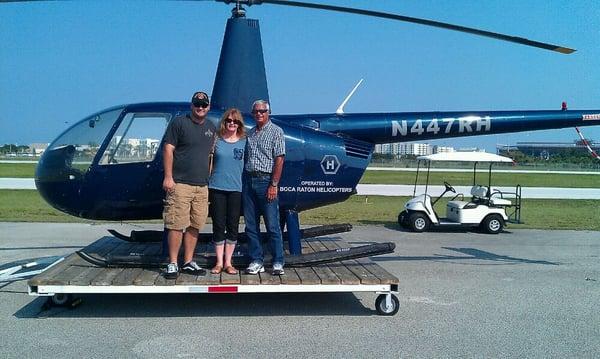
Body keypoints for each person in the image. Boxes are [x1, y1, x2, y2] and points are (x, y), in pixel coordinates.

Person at [162, 91, 216, 279]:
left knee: (195, 224)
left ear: (208, 107)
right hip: (180, 184)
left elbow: (210, 155)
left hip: (201, 186)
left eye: (203, 105)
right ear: (191, 105)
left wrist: (207, 177)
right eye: (197, 104)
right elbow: (168, 148)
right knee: (177, 223)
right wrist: (168, 177)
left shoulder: (211, 127)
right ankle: (172, 262)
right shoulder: (179, 123)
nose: (200, 108)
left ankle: (188, 261)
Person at [243, 99, 286, 275]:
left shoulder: (277, 132)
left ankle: (278, 261)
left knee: (272, 225)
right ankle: (256, 259)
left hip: (266, 180)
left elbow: (279, 159)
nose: (259, 114)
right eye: (256, 112)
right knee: (251, 225)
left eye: (262, 111)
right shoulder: (250, 133)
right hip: (249, 181)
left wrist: (273, 184)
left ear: (268, 112)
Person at [208, 108, 246, 275]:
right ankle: (218, 262)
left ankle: (228, 262)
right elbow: (208, 161)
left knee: (232, 226)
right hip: (216, 187)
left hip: (235, 189)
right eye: (229, 120)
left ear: (239, 124)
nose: (232, 123)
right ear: (225, 122)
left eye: (235, 121)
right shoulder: (216, 140)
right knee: (218, 225)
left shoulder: (245, 141)